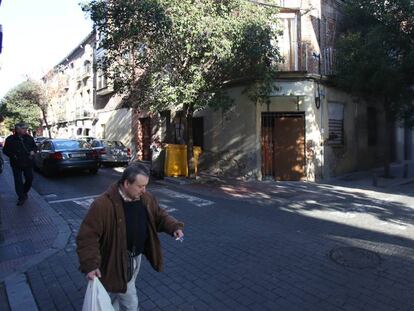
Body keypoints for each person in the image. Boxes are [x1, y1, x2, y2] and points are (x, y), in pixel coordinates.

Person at [76, 163, 184, 311]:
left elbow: (159, 214)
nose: (144, 190)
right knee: (129, 300)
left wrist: (174, 227)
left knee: (116, 290)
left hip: (135, 258)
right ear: (126, 183)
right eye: (140, 186)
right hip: (115, 259)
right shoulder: (102, 204)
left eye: (145, 186)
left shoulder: (145, 198)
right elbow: (87, 236)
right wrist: (90, 264)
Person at [2, 122, 37, 205]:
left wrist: (33, 151)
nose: (26, 130)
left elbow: (34, 147)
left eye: (26, 128)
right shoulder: (10, 139)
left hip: (28, 162)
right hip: (16, 163)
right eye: (24, 128)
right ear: (18, 129)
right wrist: (13, 155)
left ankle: (24, 192)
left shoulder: (29, 138)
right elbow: (5, 150)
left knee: (29, 178)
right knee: (18, 181)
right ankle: (21, 197)